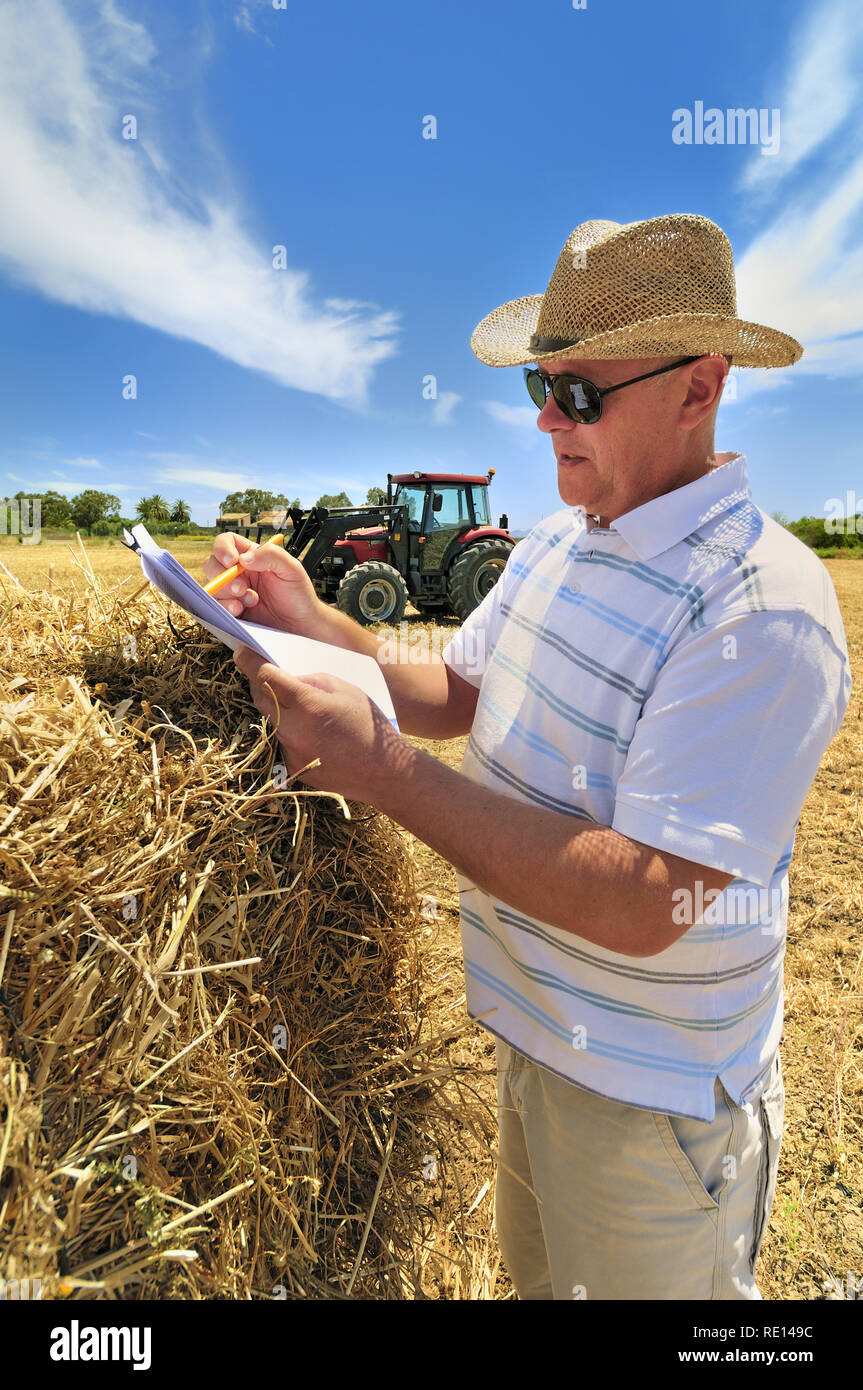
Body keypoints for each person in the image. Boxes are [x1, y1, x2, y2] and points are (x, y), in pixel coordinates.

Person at [204, 214, 852, 1300]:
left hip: (650, 1107)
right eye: (539, 387)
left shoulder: (761, 607)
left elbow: (647, 900)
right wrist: (313, 616)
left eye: (580, 394)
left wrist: (383, 775)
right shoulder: (559, 537)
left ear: (699, 387)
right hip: (538, 1044)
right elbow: (452, 692)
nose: (549, 420)